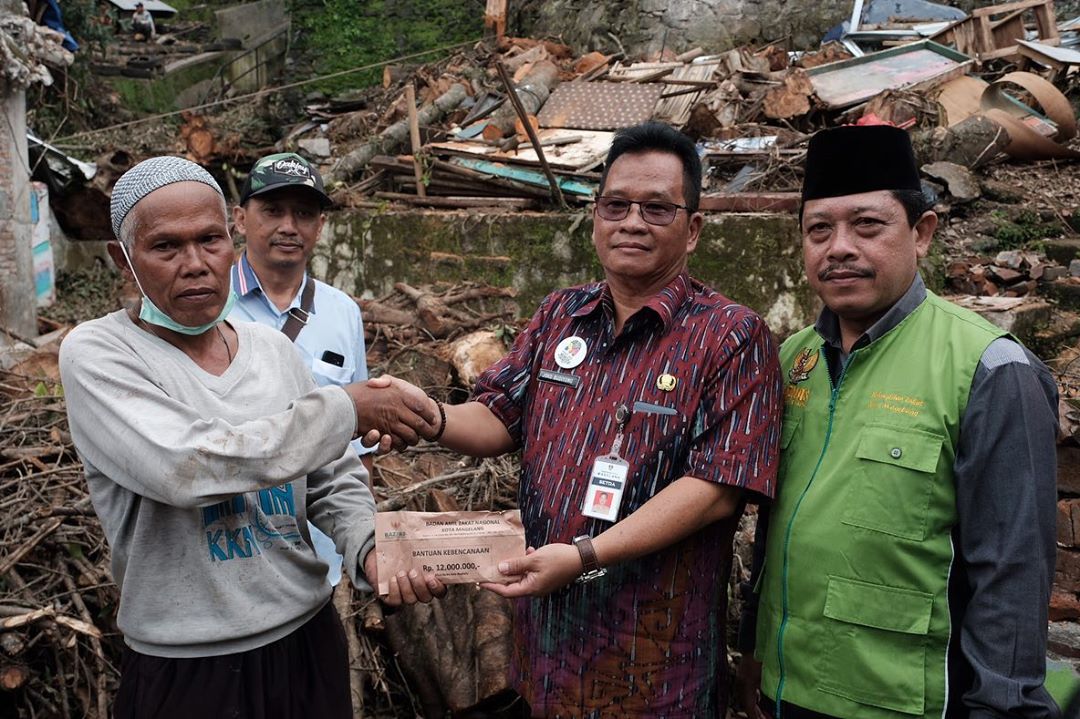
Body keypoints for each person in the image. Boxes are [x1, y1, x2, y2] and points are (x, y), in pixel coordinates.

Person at [389, 121, 783, 716]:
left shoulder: (730, 335)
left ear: (693, 228)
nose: (631, 222)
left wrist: (584, 556)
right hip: (546, 649)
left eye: (657, 208)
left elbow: (716, 490)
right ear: (595, 216)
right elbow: (497, 419)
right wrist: (427, 415)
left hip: (654, 661)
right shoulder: (561, 314)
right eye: (616, 204)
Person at [58, 156, 444, 719]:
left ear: (231, 239)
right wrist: (344, 409)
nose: (196, 264)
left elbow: (330, 477)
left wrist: (368, 547)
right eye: (166, 247)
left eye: (210, 240)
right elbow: (186, 466)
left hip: (309, 643)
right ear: (124, 260)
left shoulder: (272, 350)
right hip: (188, 667)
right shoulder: (100, 355)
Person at [736, 124, 1059, 719]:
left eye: (866, 225)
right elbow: (775, 524)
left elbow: (1013, 568)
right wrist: (756, 649)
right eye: (818, 230)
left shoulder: (988, 369)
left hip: (907, 699)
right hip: (789, 688)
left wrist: (1002, 706)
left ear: (923, 232)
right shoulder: (793, 360)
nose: (838, 248)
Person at [229, 152, 372, 587]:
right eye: (272, 211)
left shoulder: (342, 312)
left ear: (321, 227)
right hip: (232, 543)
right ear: (240, 219)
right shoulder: (208, 309)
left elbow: (356, 437)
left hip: (320, 556)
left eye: (305, 214)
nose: (289, 226)